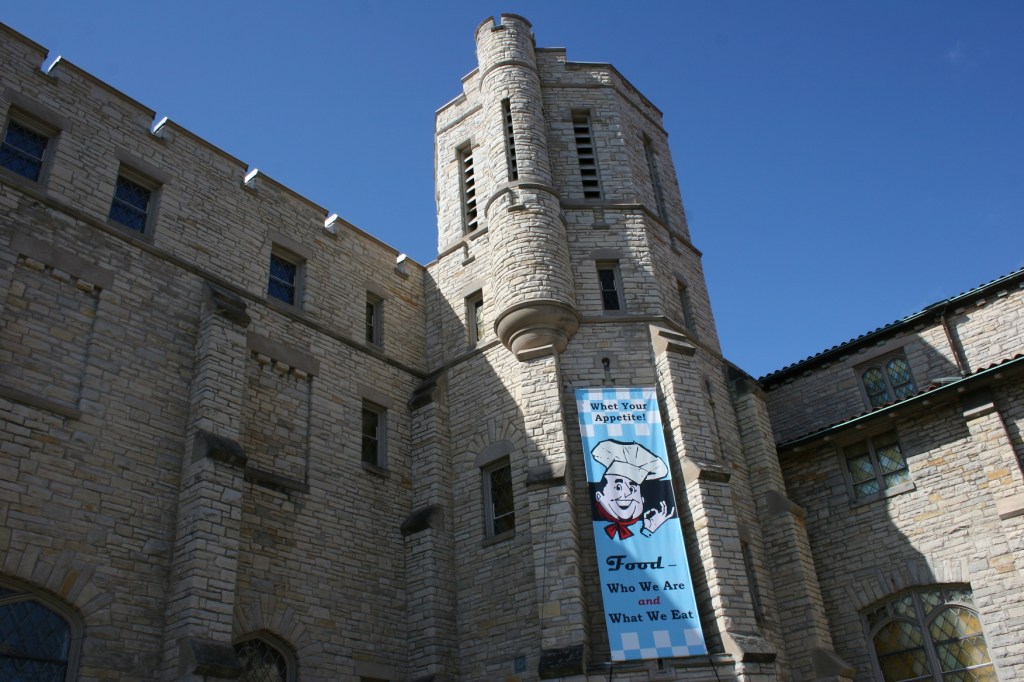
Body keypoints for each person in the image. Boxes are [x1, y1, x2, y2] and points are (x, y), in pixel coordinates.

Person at [592, 439, 675, 540]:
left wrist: (648, 530)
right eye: (618, 487)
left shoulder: (647, 525)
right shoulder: (594, 525)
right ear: (599, 496)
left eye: (632, 488)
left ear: (642, 500)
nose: (627, 494)